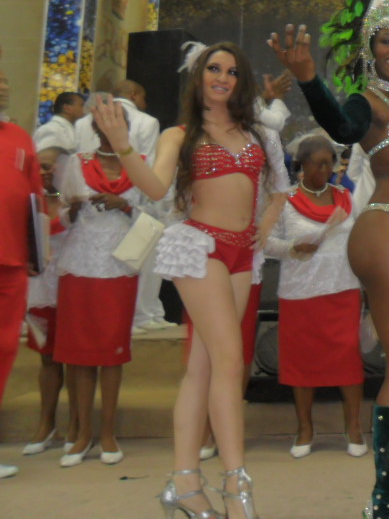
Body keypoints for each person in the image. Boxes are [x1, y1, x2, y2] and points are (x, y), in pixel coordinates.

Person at [269, 0, 389, 519]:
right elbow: (342, 127)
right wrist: (309, 80)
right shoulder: (368, 101)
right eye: (387, 38)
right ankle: (388, 505)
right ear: (371, 45)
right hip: (386, 227)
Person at [92, 41, 288, 519]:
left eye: (232, 71)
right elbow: (156, 186)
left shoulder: (259, 133)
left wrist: (263, 227)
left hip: (242, 253)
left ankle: (183, 484)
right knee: (229, 359)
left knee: (203, 368)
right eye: (213, 68)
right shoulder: (178, 136)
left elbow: (280, 189)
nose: (222, 77)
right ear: (198, 76)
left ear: (241, 81)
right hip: (199, 247)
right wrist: (121, 144)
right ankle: (236, 486)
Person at [264, 135, 366, 459]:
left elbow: (362, 237)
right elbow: (265, 242)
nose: (322, 169)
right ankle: (305, 429)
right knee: (302, 362)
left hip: (343, 289)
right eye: (315, 163)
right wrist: (293, 248)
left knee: (348, 360)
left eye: (327, 163)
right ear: (300, 165)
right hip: (300, 294)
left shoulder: (347, 197)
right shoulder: (283, 200)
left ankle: (353, 428)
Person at [52, 109, 141, 467]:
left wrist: (126, 205)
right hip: (80, 266)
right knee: (79, 354)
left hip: (119, 268)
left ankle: (108, 433)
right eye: (104, 123)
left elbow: (160, 214)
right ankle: (83, 434)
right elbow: (59, 211)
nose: (110, 128)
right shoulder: (76, 163)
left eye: (118, 123)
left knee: (112, 353)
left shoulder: (139, 164)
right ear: (94, 127)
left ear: (127, 127)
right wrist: (71, 210)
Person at [77, 81, 169, 334]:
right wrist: (145, 204)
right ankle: (139, 314)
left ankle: (101, 317)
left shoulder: (82, 122)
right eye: (144, 98)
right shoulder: (147, 121)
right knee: (139, 259)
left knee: (90, 265)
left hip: (88, 192)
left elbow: (77, 161)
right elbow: (149, 166)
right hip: (131, 189)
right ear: (134, 95)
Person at [0, 57, 44, 480]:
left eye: (4, 80)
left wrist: (37, 251)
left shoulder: (19, 136)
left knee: (4, 348)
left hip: (12, 261)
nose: (2, 87)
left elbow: (35, 199)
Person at [21, 146, 78, 457]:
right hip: (42, 288)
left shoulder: (76, 201)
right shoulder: (29, 201)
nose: (44, 172)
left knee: (78, 360)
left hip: (74, 286)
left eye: (50, 166)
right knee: (48, 358)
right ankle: (46, 424)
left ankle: (77, 426)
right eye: (39, 167)